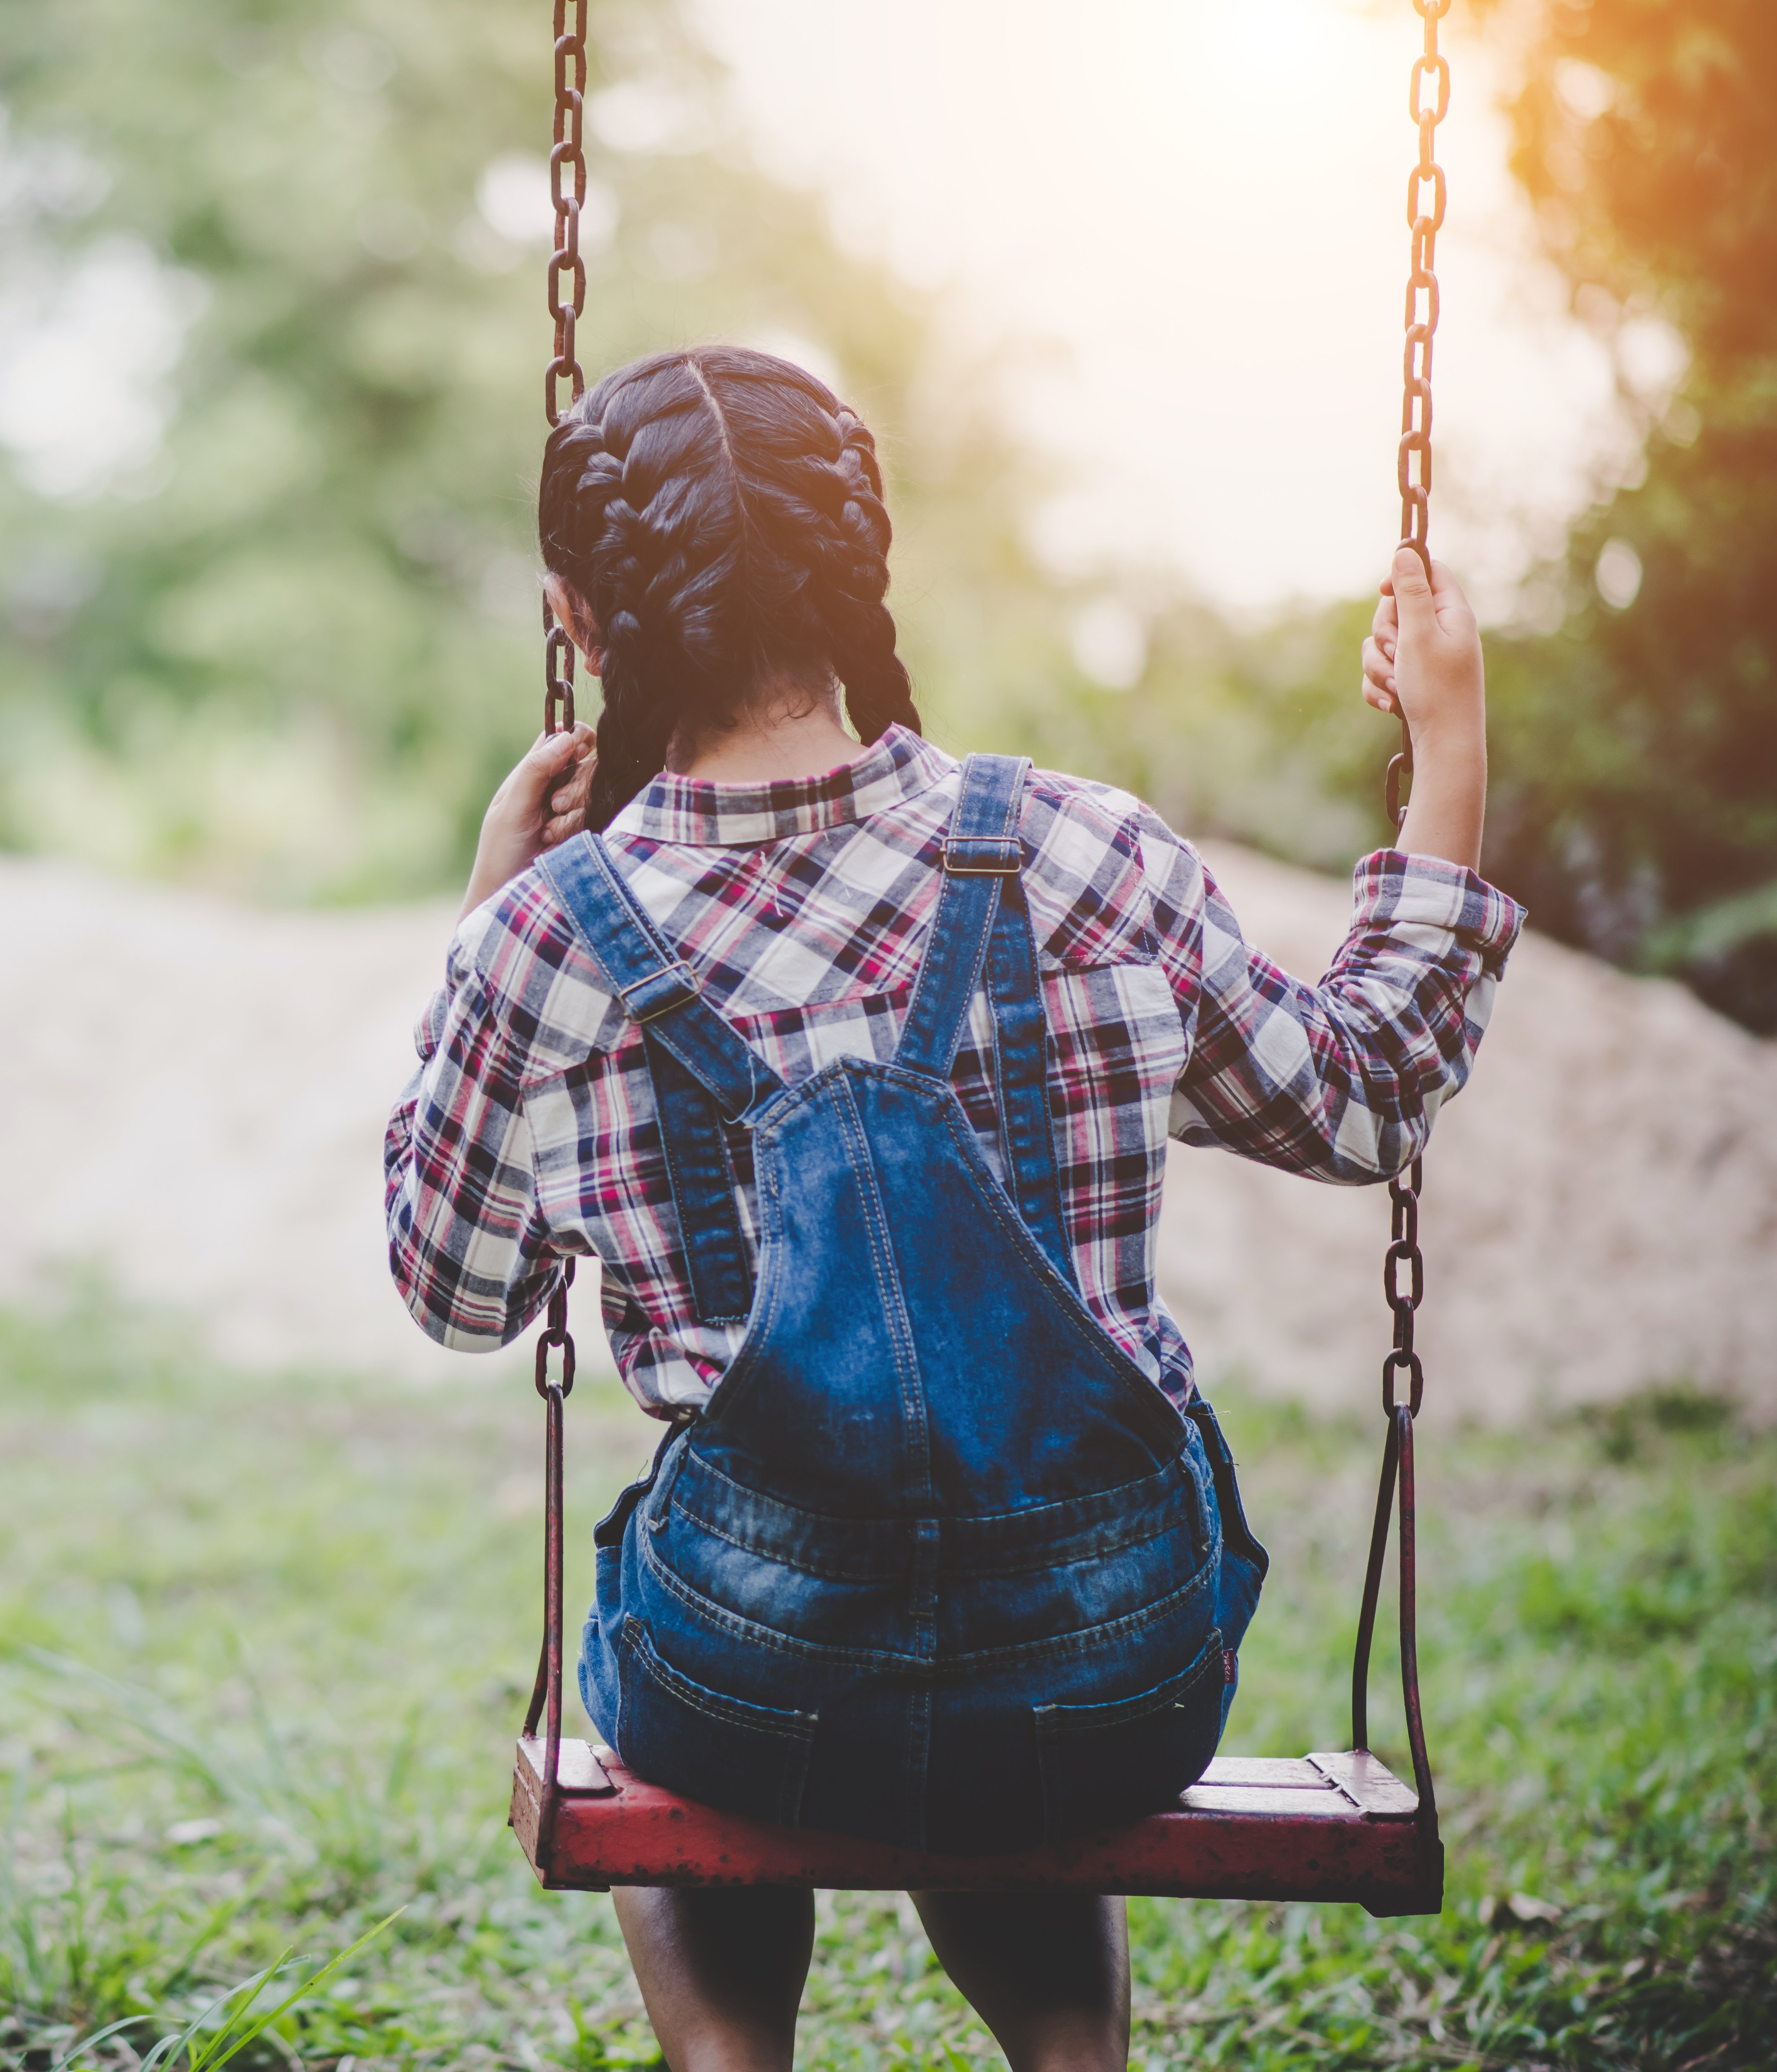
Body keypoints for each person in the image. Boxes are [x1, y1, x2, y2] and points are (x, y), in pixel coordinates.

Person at [383, 346, 1520, 2072]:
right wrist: (1447, 744)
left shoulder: (549, 938)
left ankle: (728, 2059)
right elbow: (1363, 1096)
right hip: (1114, 1661)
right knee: (998, 1676)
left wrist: (487, 913)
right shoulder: (1084, 854)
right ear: (863, 577)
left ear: (578, 616)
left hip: (755, 1680)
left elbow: (451, 1287)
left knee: (663, 1670)